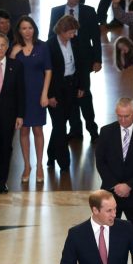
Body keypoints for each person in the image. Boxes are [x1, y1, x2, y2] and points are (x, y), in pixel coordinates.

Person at [95, 97, 133, 252]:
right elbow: (101, 162)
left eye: (126, 116)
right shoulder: (106, 131)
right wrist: (116, 185)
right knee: (108, 233)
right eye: (119, 116)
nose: (122, 120)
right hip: (111, 193)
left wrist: (129, 185)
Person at [49, 0, 101, 141]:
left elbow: (96, 38)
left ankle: (93, 130)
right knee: (69, 100)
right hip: (64, 63)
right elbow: (51, 34)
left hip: (84, 61)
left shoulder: (89, 11)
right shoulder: (56, 11)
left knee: (84, 95)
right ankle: (75, 131)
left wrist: (98, 59)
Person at [10, 15, 52, 184]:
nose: (27, 31)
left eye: (30, 27)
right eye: (23, 28)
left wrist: (45, 94)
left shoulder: (42, 46)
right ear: (19, 31)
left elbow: (48, 70)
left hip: (38, 93)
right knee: (24, 130)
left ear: (34, 29)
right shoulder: (15, 48)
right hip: (20, 95)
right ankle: (27, 166)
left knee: (38, 130)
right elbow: (9, 71)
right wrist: (13, 54)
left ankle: (39, 165)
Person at [0, 32, 24, 200]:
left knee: (6, 148)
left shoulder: (16, 65)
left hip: (8, 115)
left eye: (3, 45)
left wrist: (20, 115)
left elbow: (21, 92)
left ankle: (2, 182)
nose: (0, 48)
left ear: (7, 47)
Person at [46, 14, 86, 172]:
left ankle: (50, 154)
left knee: (61, 124)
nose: (73, 35)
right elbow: (46, 73)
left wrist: (82, 86)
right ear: (62, 31)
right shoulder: (49, 45)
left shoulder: (75, 42)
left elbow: (81, 64)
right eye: (70, 32)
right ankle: (64, 163)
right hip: (56, 89)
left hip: (71, 86)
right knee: (60, 126)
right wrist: (50, 95)